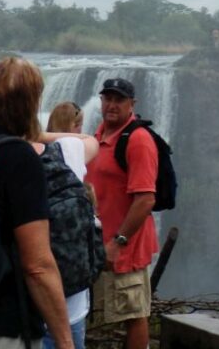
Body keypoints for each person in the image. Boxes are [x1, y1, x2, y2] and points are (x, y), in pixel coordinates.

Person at [0, 57, 73, 349]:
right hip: (3, 322)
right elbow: (37, 265)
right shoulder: (19, 158)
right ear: (31, 103)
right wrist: (65, 341)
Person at [85, 78, 157, 349]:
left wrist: (118, 242)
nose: (112, 105)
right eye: (108, 99)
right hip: (98, 244)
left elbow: (145, 200)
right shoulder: (98, 134)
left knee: (133, 314)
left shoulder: (138, 140)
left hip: (125, 247)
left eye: (119, 100)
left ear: (132, 104)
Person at [34, 128, 99, 349]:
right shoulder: (67, 151)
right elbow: (90, 140)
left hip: (23, 311)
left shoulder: (4, 159)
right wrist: (37, 133)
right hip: (72, 307)